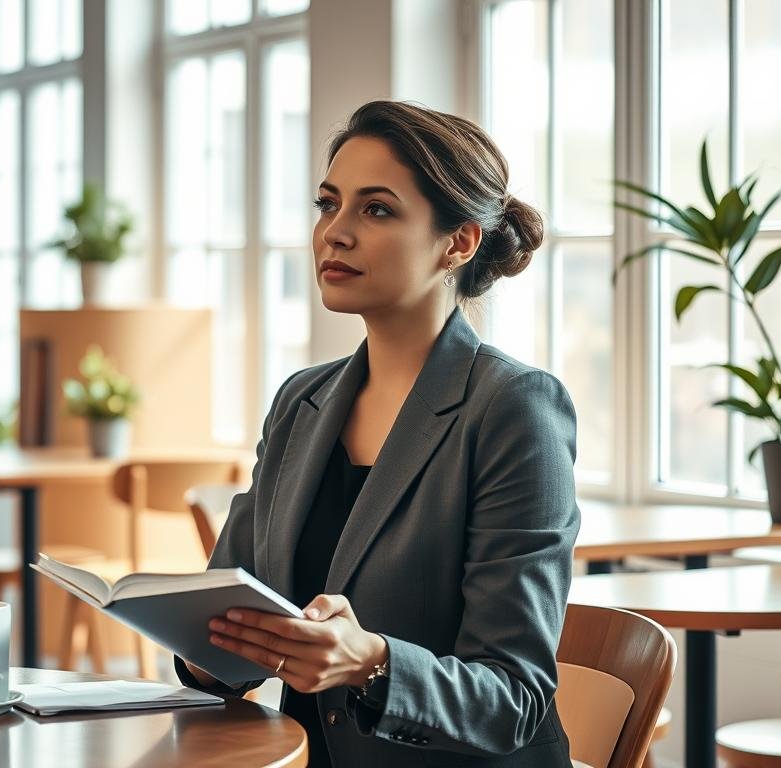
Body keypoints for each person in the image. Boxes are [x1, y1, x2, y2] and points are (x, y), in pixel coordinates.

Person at [175, 100, 579, 767]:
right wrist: (205, 650)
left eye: (377, 209)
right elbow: (229, 618)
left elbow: (515, 697)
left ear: (459, 242)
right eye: (328, 204)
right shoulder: (300, 401)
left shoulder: (514, 408)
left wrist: (372, 664)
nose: (335, 232)